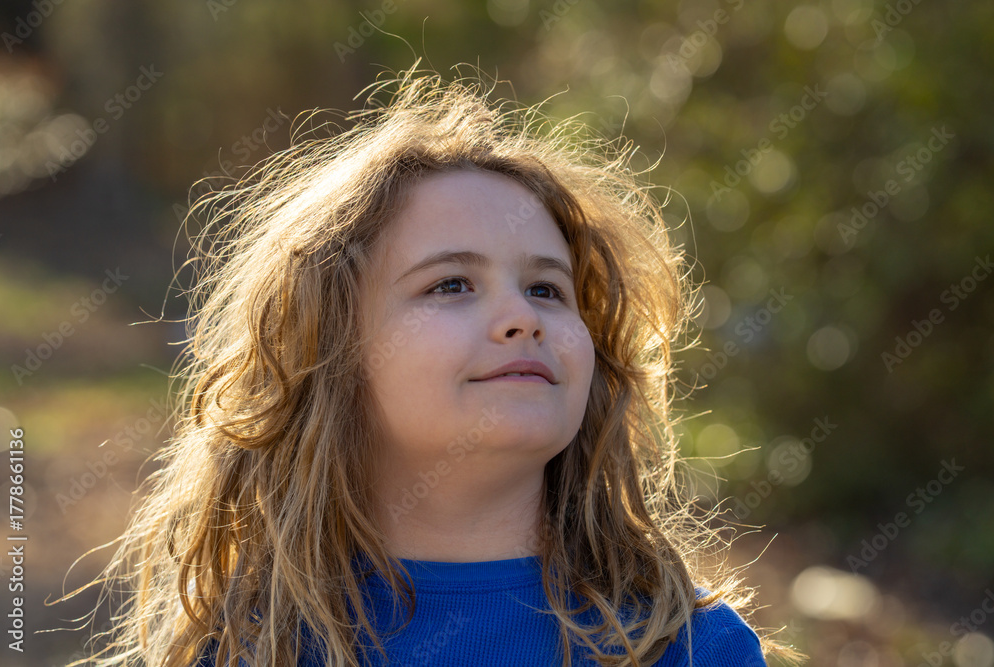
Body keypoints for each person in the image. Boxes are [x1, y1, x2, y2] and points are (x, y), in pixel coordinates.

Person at [65, 61, 803, 666]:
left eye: (548, 288)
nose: (523, 316)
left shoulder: (689, 647)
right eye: (452, 284)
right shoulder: (247, 647)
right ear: (333, 352)